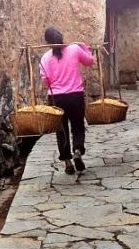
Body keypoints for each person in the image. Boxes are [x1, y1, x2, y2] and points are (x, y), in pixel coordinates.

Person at [38, 27, 96, 174]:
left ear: (48, 42)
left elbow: (46, 81)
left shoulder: (45, 58)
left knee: (61, 130)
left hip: (56, 99)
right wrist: (85, 47)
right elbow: (90, 61)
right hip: (75, 96)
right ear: (61, 38)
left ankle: (68, 163)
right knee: (78, 126)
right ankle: (77, 150)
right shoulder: (75, 49)